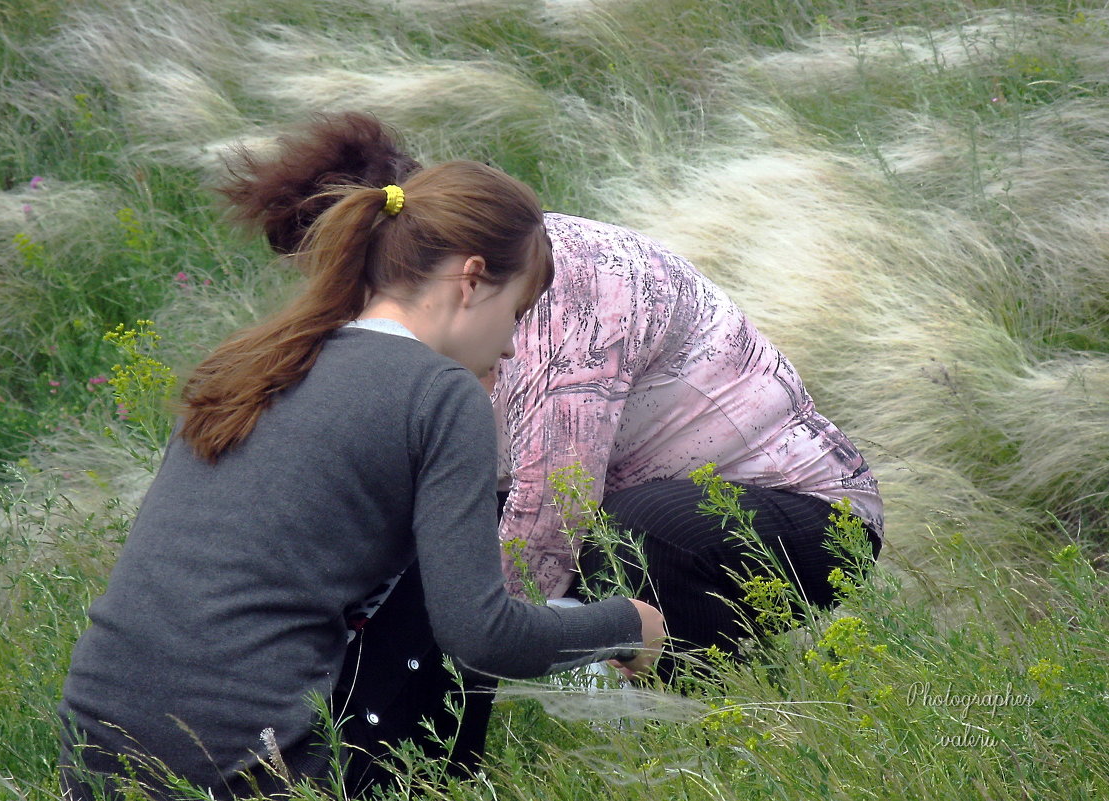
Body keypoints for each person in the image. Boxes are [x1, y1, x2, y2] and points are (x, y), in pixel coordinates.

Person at [58, 159, 666, 801]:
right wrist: (625, 624)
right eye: (518, 314)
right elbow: (482, 635)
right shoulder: (439, 393)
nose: (514, 347)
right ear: (472, 279)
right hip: (240, 768)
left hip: (93, 751)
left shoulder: (260, 359)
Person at [215, 112, 884, 676]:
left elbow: (550, 511)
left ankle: (716, 713)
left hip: (811, 519)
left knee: (633, 537)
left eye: (339, 268)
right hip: (634, 493)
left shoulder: (560, 288)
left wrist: (442, 663)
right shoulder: (450, 295)